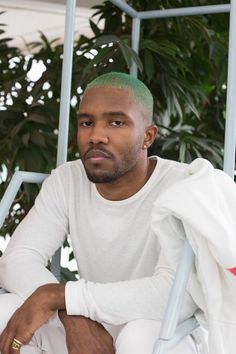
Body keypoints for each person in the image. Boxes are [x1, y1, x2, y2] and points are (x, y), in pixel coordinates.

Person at [0, 72, 207, 354]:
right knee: (5, 311)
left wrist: (62, 296)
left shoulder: (182, 186)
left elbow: (174, 293)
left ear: (147, 136)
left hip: (160, 326)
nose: (96, 135)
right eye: (87, 122)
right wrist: (71, 314)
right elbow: (17, 260)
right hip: (91, 319)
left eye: (116, 122)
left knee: (138, 337)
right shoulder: (67, 180)